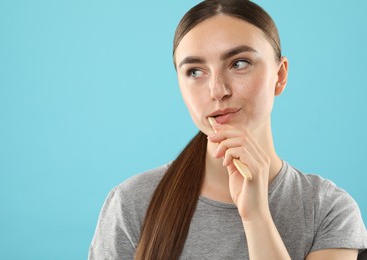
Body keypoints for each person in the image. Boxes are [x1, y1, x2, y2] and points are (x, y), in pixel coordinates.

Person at [88, 0, 367, 259]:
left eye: (239, 63)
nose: (218, 90)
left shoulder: (328, 210)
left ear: (279, 76)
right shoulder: (131, 203)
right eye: (195, 71)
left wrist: (256, 215)